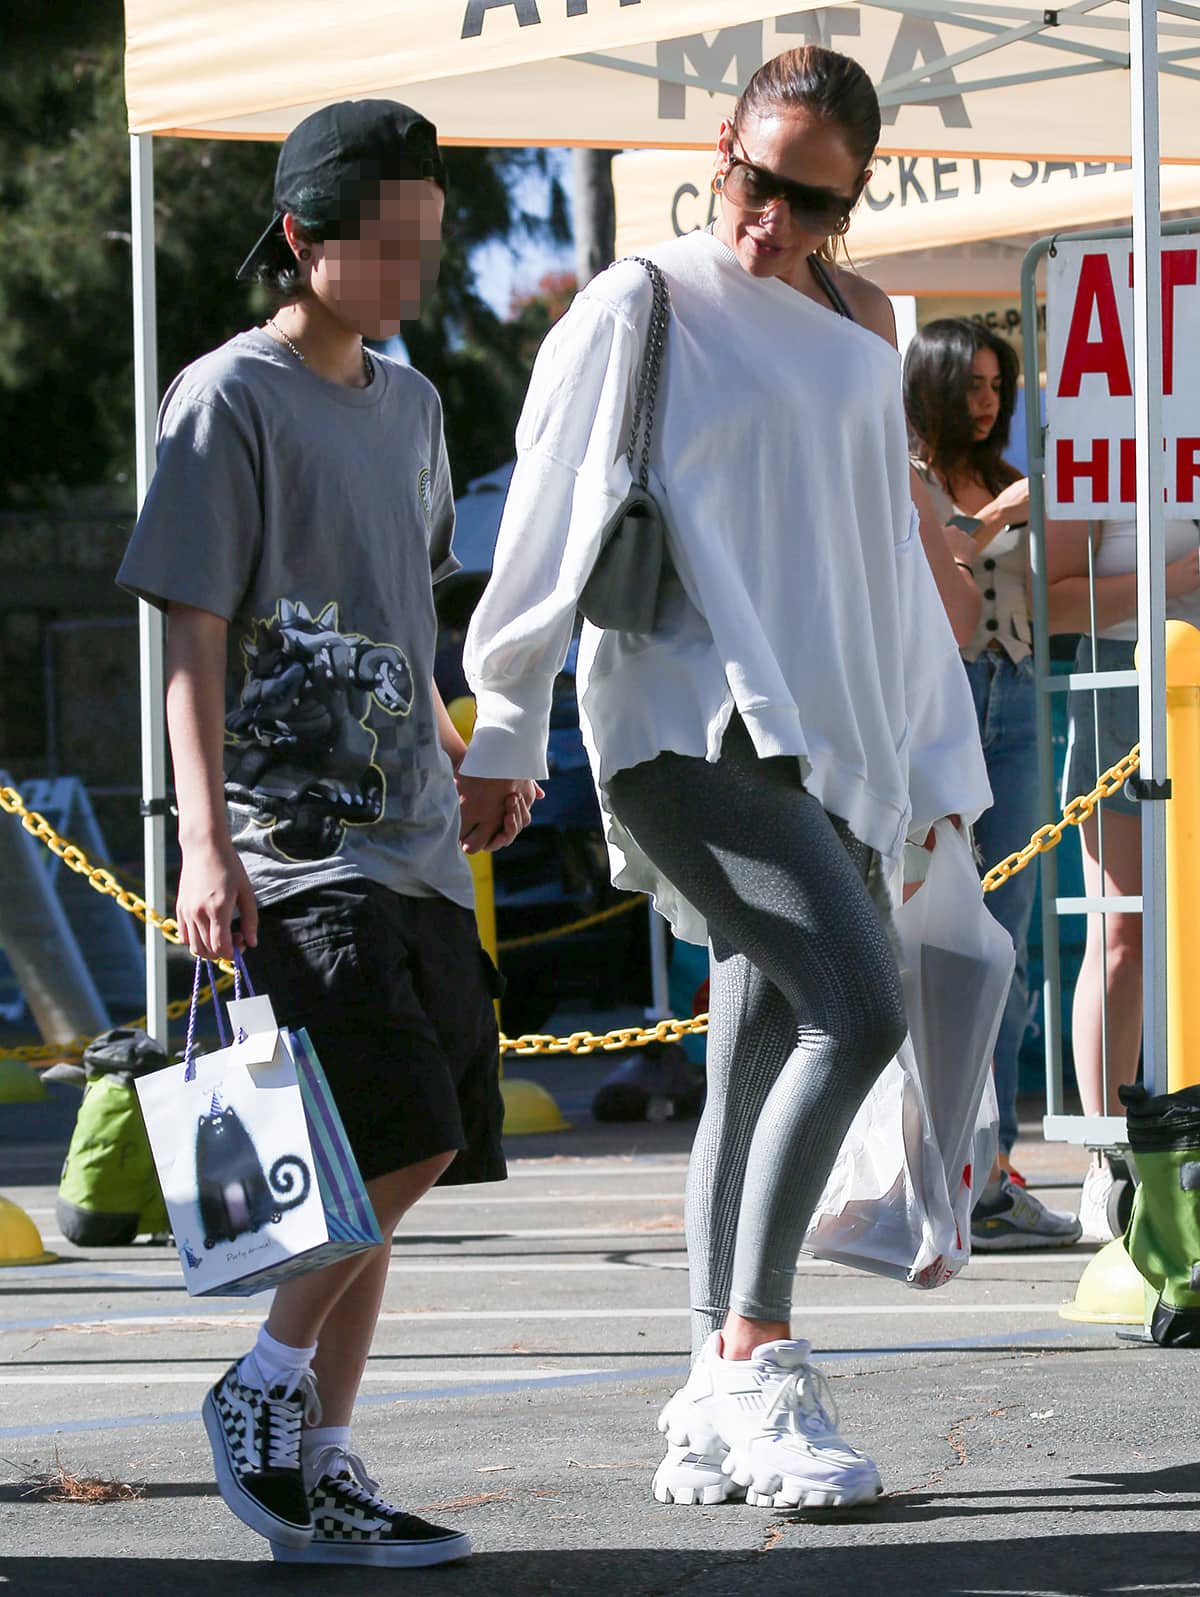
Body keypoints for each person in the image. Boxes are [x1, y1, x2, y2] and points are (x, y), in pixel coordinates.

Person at [458, 45, 990, 1509]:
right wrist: (505, 726)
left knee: (756, 1060)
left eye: (814, 203)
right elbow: (548, 516)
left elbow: (879, 561)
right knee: (860, 1001)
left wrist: (923, 753)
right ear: (722, 147)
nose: (771, 222)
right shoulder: (644, 300)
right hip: (683, 721)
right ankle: (759, 1354)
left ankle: (707, 1388)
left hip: (828, 736)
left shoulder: (864, 318)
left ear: (853, 196)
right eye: (757, 182)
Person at [117, 100, 536, 1568]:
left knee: (395, 1168)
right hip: (292, 842)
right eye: (392, 241)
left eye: (431, 237)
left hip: (417, 836)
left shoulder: (414, 409)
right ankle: (266, 1381)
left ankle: (322, 1469)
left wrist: (466, 749)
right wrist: (201, 845)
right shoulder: (226, 397)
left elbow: (409, 625)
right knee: (395, 1129)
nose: (418, 267)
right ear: (304, 237)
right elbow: (190, 624)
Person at [904, 318, 1083, 1251]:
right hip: (949, 698)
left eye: (996, 383)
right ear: (930, 385)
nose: (987, 399)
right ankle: (936, 1171)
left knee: (1006, 941)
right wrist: (1004, 517)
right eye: (970, 383)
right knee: (940, 936)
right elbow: (946, 597)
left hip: (1017, 694)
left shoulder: (995, 476)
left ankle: (990, 1168)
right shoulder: (915, 476)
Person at [1046, 513, 1200, 1239]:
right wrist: (1168, 584)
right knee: (1122, 936)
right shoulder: (1096, 416)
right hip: (1121, 680)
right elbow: (1054, 597)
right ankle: (1112, 1157)